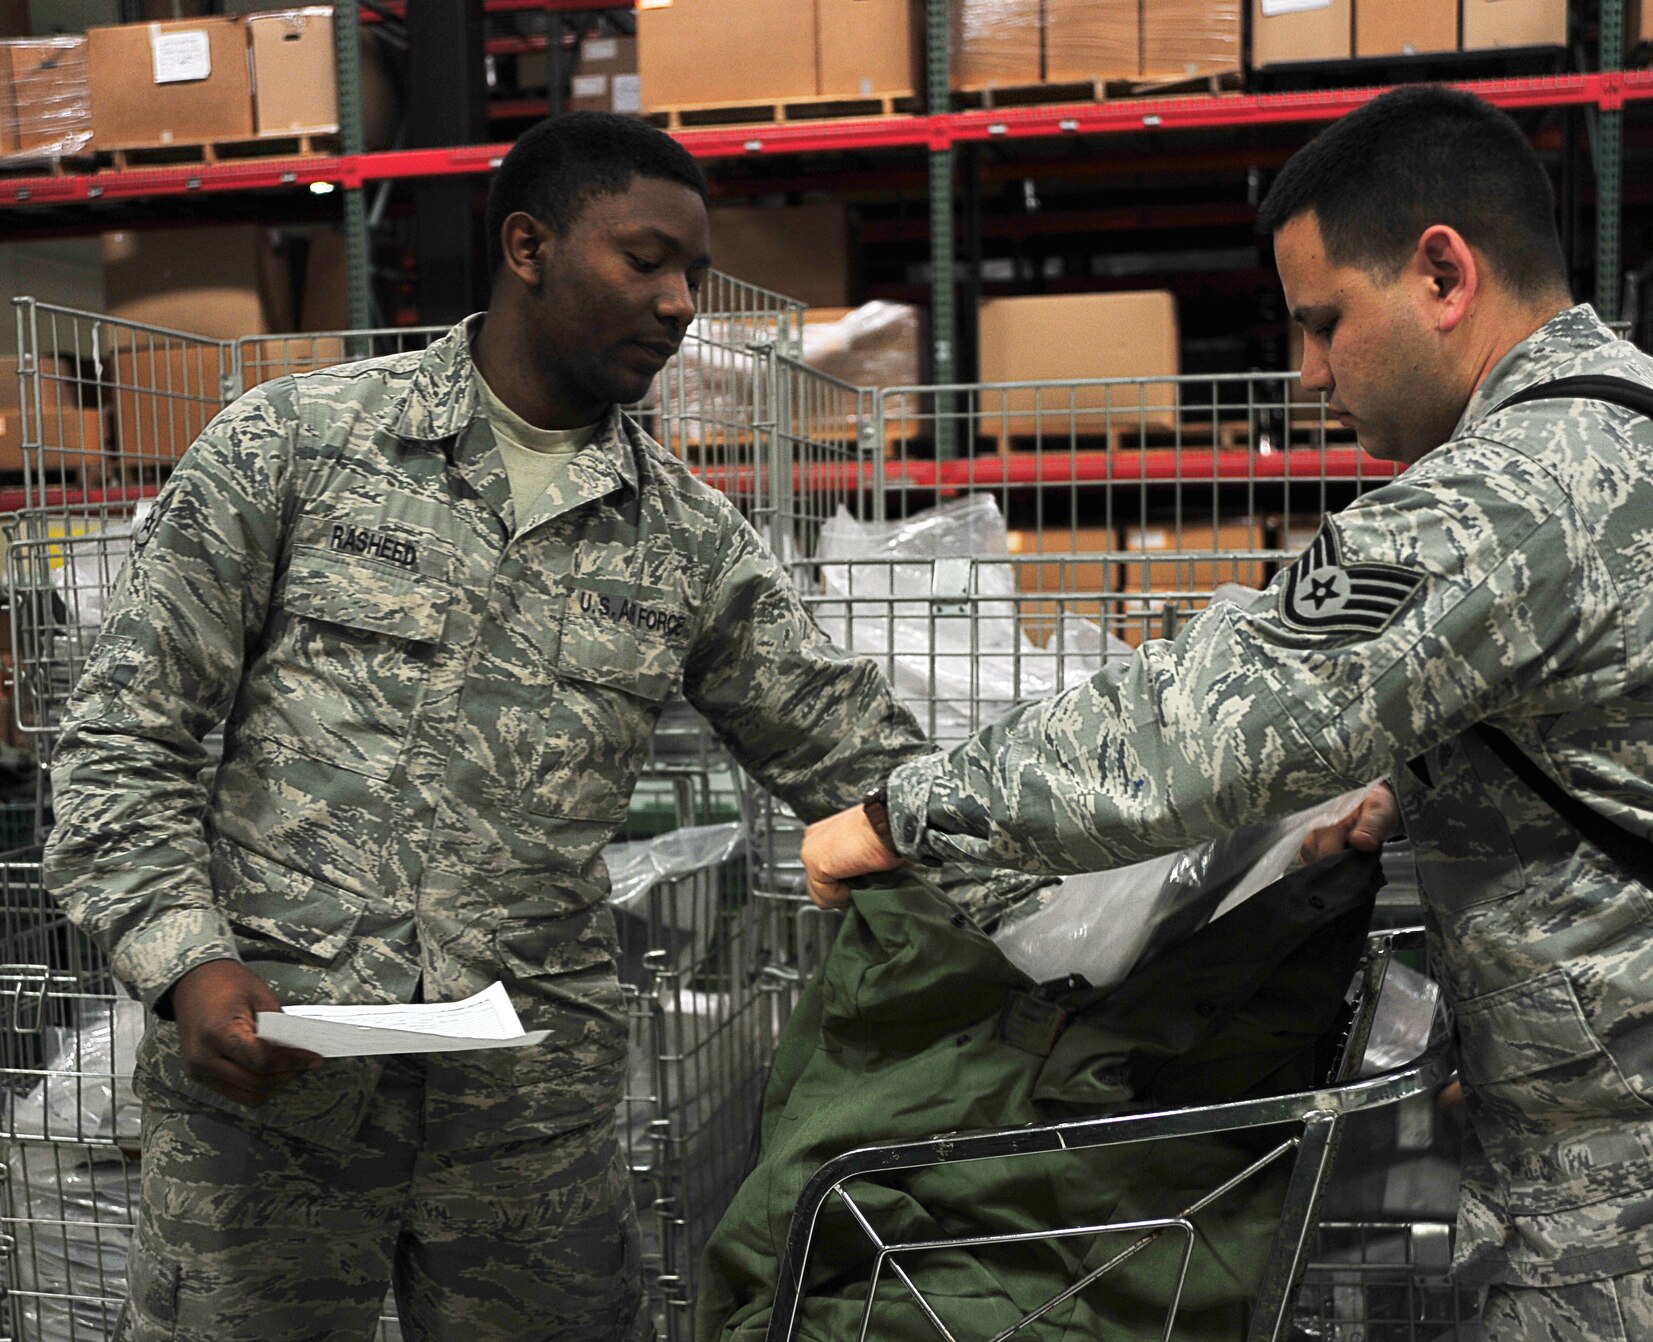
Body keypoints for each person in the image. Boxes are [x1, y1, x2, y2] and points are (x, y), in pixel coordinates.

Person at [802, 86, 1653, 1339]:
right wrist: (1419, 789)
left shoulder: (1519, 485)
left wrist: (896, 816)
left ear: (1441, 274)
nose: (1308, 374)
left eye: (1323, 323)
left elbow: (1210, 714)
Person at [43, 112, 978, 1342]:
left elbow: (855, 752)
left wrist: (1127, 841)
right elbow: (125, 739)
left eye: (692, 272)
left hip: (524, 1121)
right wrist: (181, 960)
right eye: (646, 260)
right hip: (271, 1093)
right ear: (529, 245)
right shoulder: (300, 448)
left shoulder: (685, 540)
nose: (681, 302)